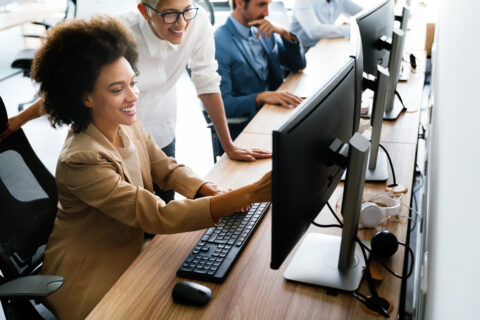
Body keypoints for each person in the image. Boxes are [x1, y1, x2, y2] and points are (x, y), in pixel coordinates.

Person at [32, 16, 271, 320]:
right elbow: (157, 215)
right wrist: (250, 193)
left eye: (133, 83)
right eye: (117, 89)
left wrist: (205, 189)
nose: (133, 96)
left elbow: (165, 168)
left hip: (133, 249)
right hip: (89, 272)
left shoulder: (125, 124)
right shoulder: (82, 159)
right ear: (86, 97)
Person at [0, 0, 271, 202]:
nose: (181, 23)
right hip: (111, 137)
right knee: (131, 222)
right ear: (145, 11)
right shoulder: (118, 32)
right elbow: (70, 86)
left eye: (187, 10)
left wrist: (229, 146)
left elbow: (207, 80)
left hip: (159, 130)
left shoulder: (195, 21)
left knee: (164, 204)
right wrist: (20, 120)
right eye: (169, 14)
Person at [214, 0, 307, 141]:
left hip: (275, 114)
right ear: (239, 2)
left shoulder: (264, 30)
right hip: (248, 126)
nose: (267, 13)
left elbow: (297, 65)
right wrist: (261, 97)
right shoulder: (219, 43)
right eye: (261, 4)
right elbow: (222, 105)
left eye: (268, 5)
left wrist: (284, 33)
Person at [291, 0, 363, 50]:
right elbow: (315, 31)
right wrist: (350, 29)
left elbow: (364, 15)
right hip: (304, 53)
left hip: (324, 46)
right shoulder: (303, 1)